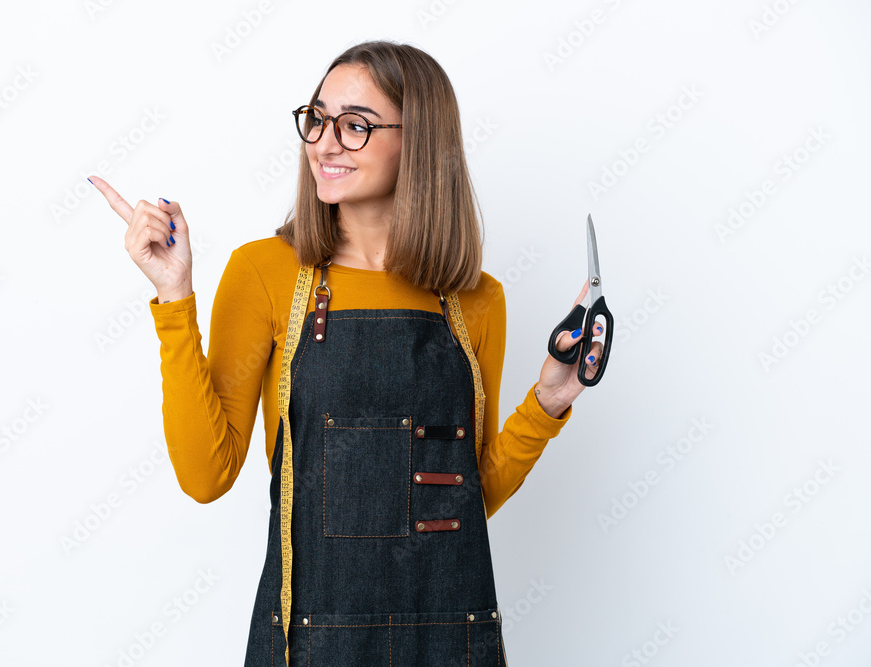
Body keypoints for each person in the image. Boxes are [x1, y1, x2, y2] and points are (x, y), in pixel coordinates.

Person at [91, 39, 606, 667]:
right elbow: (206, 477)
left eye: (355, 125)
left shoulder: (476, 299)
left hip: (448, 641)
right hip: (309, 644)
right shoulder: (264, 272)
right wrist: (175, 300)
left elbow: (464, 500)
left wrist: (548, 403)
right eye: (317, 118)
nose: (324, 143)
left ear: (420, 142)